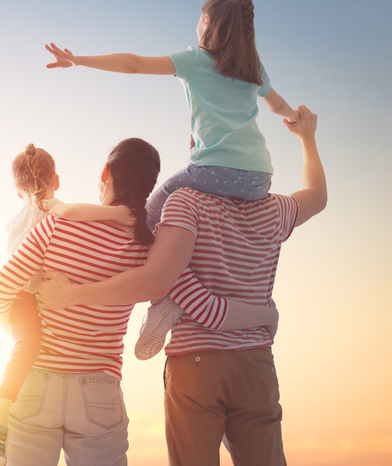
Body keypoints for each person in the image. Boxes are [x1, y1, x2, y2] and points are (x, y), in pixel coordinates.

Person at [37, 106, 327, 466]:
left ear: (197, 150)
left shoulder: (186, 202)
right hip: (256, 361)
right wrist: (307, 139)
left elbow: (158, 278)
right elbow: (317, 196)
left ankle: (164, 313)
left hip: (196, 361)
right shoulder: (275, 209)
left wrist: (73, 294)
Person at [0, 138, 283, 466]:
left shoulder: (56, 227)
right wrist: (263, 314)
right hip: (100, 388)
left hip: (36, 380)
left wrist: (24, 337)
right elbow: (199, 303)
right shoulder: (150, 250)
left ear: (105, 173)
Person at [45, 0, 302, 356]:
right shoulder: (252, 70)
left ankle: (162, 303)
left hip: (213, 171)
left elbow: (134, 63)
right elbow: (277, 105)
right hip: (259, 178)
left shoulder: (196, 59)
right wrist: (296, 120)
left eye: (200, 15)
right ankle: (179, 296)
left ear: (207, 21)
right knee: (179, 229)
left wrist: (80, 60)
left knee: (146, 221)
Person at [0, 143, 139, 466]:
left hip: (34, 369)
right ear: (56, 180)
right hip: (100, 386)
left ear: (16, 189)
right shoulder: (139, 242)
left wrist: (15, 327)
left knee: (23, 348)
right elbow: (77, 212)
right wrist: (121, 215)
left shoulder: (31, 225)